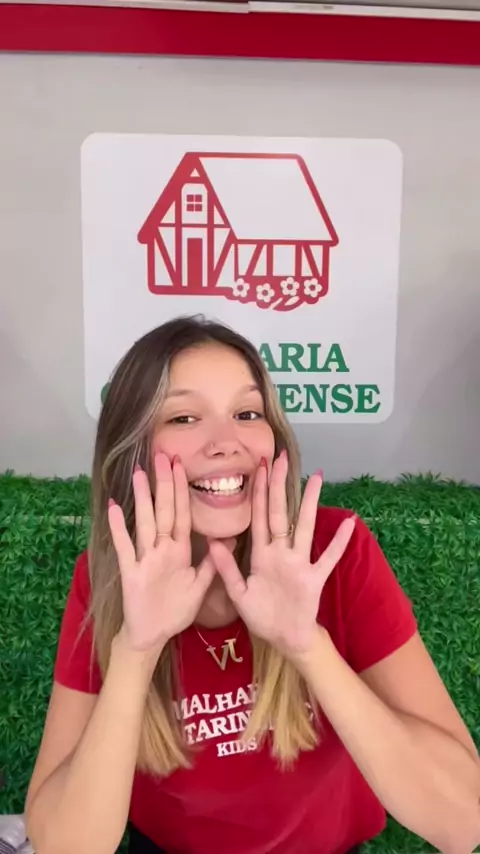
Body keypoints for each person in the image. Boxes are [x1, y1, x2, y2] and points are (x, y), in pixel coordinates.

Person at [25, 316, 479, 854]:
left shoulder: (334, 552)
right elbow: (64, 846)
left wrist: (308, 646)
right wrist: (136, 652)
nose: (227, 443)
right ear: (133, 452)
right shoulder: (111, 575)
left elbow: (462, 824)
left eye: (247, 413)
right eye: (185, 417)